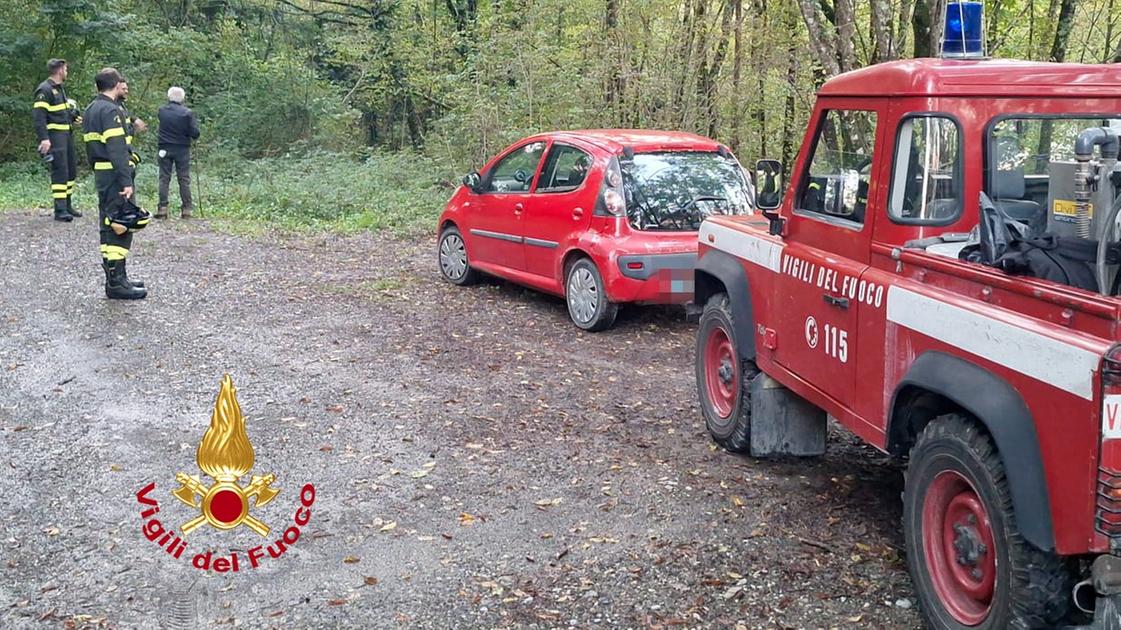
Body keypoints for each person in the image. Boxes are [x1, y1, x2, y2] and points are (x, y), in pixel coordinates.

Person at [83, 68, 148, 300]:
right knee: (122, 224)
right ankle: (117, 283)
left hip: (102, 173)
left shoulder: (91, 109)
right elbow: (116, 148)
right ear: (114, 84)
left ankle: (116, 277)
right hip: (114, 175)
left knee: (108, 224)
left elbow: (91, 148)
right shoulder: (111, 110)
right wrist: (125, 180)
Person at [32, 58, 82, 221]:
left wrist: (72, 117)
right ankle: (60, 210)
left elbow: (59, 112)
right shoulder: (44, 89)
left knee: (70, 171)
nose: (67, 72)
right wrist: (44, 139)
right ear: (60, 70)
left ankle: (67, 205)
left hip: (66, 135)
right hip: (54, 137)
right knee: (60, 171)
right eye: (66, 69)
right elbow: (39, 117)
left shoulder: (59, 89)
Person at [156, 86, 200, 219]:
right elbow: (194, 133)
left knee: (164, 178)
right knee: (184, 179)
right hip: (182, 149)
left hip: (164, 147)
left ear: (169, 97)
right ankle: (186, 209)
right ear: (183, 98)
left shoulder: (162, 111)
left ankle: (162, 208)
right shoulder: (187, 113)